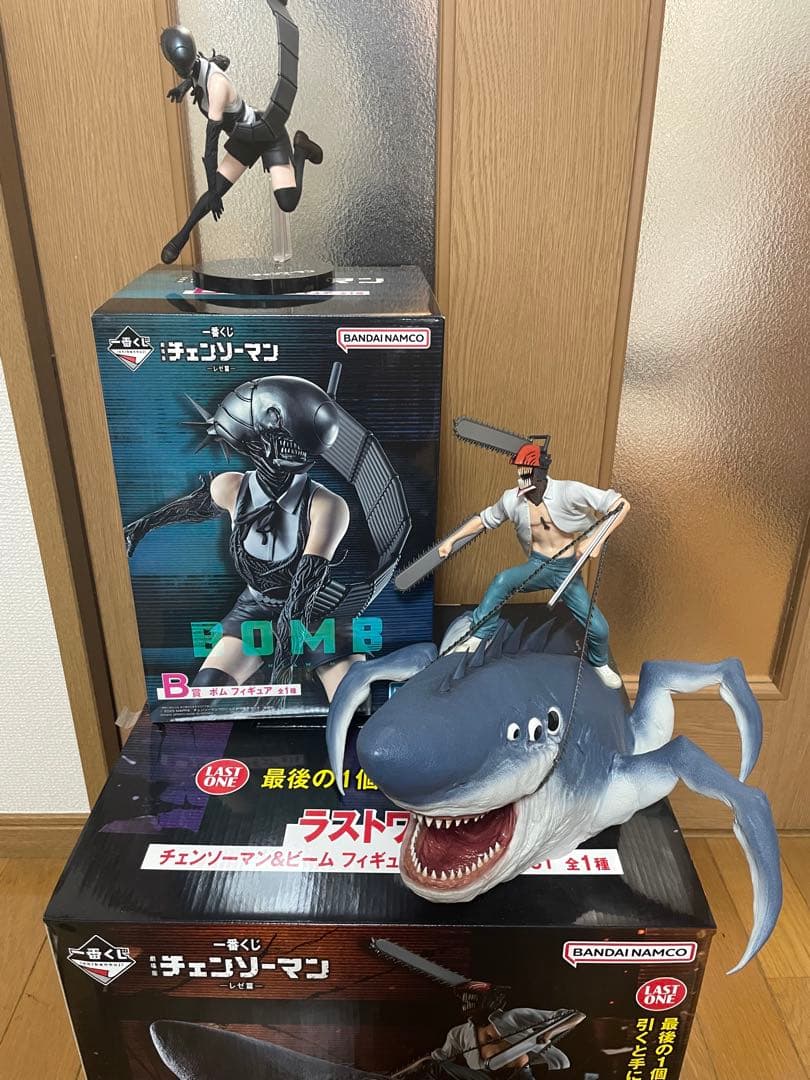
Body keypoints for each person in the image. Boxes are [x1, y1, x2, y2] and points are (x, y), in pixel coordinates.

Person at [438, 442, 629, 689]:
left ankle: (599, 663)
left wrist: (596, 540)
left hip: (566, 571)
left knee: (600, 629)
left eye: (527, 472)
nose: (521, 477)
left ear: (540, 473)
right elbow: (484, 520)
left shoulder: (568, 491)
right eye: (519, 471)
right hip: (538, 566)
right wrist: (451, 541)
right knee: (502, 581)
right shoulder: (512, 499)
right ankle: (481, 634)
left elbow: (621, 505)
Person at [159, 23, 322, 263]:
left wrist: (214, 192)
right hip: (244, 138)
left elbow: (210, 147)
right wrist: (183, 86)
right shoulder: (197, 66)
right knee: (216, 191)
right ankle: (180, 238)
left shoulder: (216, 87)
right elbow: (211, 65)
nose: (183, 72)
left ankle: (301, 149)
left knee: (287, 202)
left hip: (266, 133)